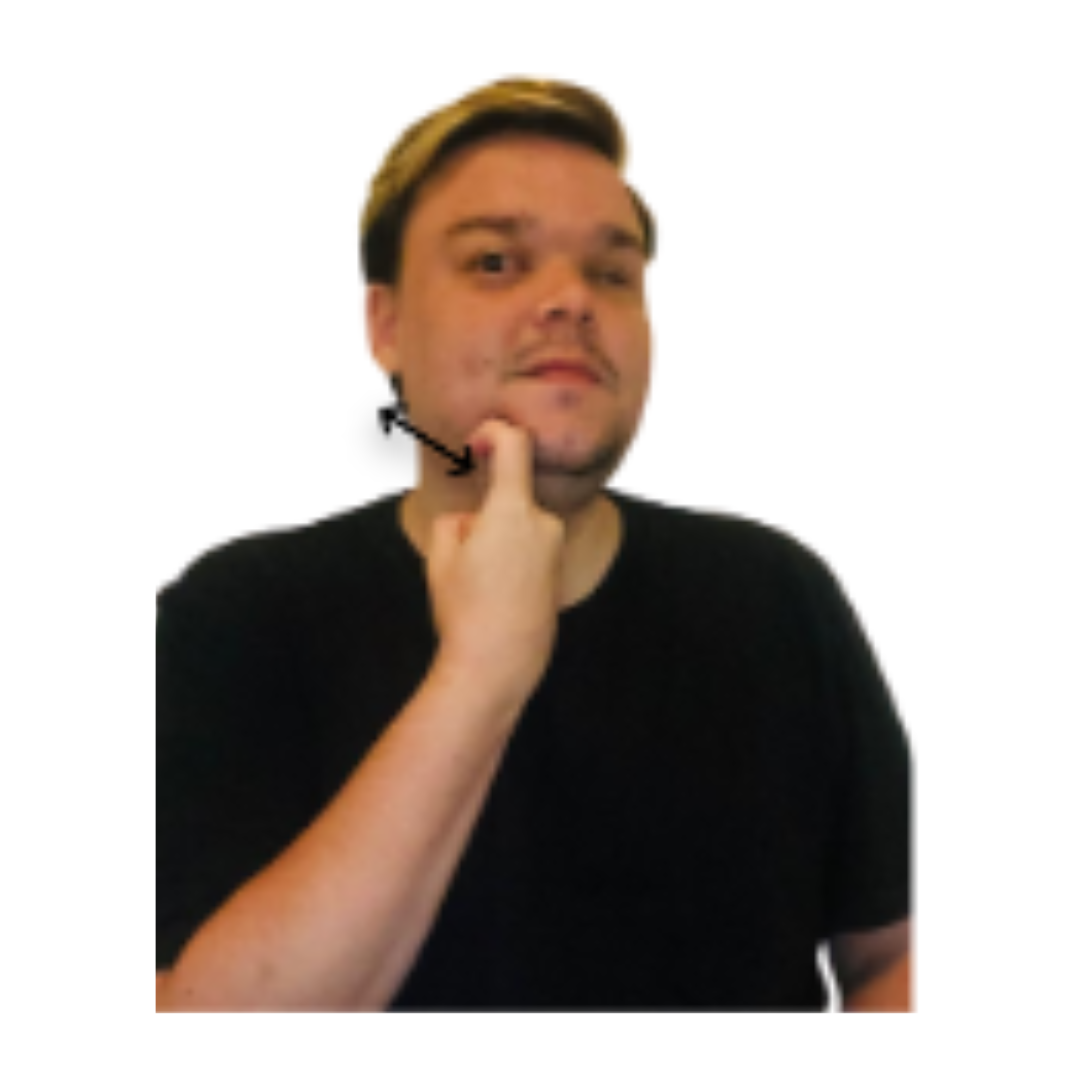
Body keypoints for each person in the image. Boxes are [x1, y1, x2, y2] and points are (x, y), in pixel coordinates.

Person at [156, 77, 912, 1011]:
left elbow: (894, 956)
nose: (571, 300)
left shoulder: (776, 594)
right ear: (386, 326)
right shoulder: (239, 617)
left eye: (612, 274)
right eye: (495, 262)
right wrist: (481, 671)